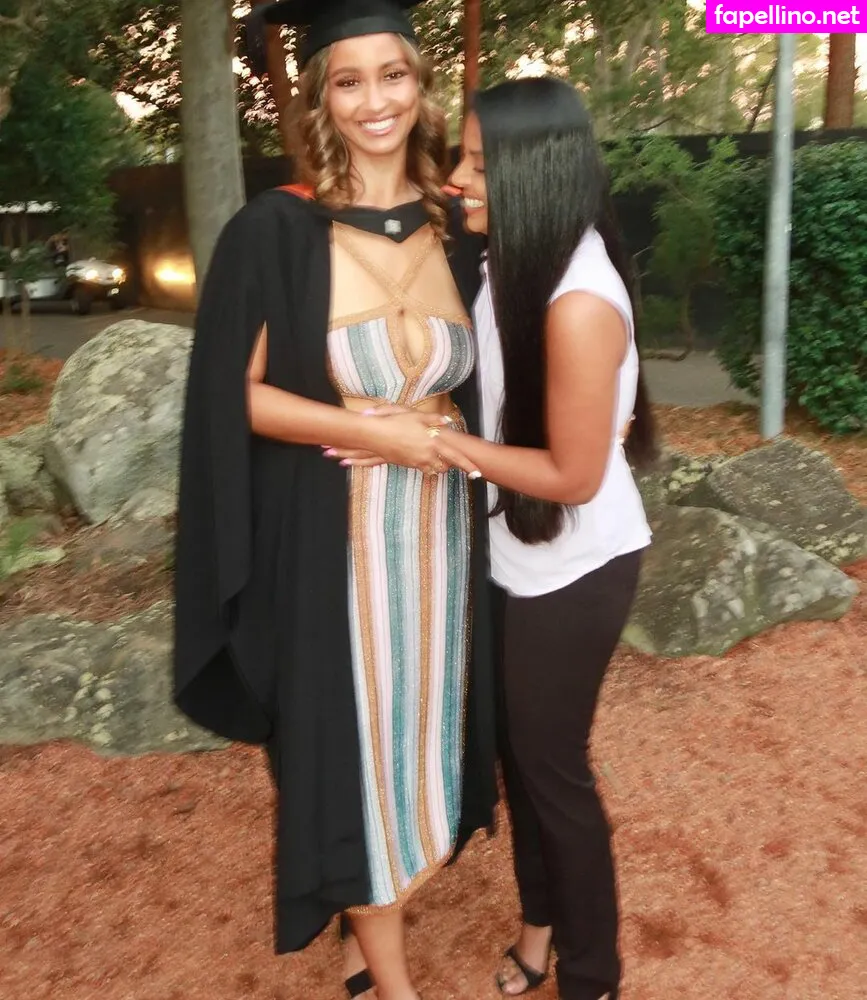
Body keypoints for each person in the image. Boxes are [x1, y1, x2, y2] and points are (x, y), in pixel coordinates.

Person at [172, 3, 497, 999]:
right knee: (349, 745)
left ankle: (370, 919)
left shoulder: (457, 230)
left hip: (440, 543)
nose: (374, 101)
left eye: (391, 75)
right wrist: (380, 432)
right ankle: (390, 976)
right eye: (348, 82)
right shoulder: (275, 230)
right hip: (332, 537)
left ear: (419, 84)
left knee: (423, 727)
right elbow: (234, 394)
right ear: (321, 100)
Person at [330, 76, 657, 1000]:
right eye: (461, 159)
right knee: (519, 756)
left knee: (553, 775)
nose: (458, 178)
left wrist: (437, 444)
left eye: (478, 163)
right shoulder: (512, 257)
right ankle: (537, 931)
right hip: (514, 551)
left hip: (577, 567)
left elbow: (572, 476)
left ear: (534, 171)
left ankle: (592, 978)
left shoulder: (578, 300)